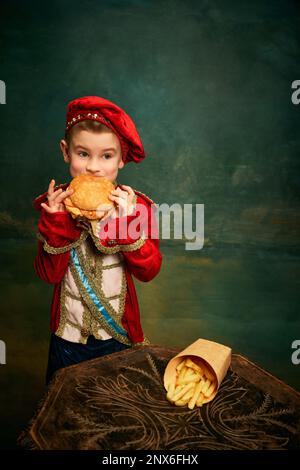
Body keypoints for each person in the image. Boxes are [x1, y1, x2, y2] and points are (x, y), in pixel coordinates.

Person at [34, 96, 162, 384]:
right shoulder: (54, 206)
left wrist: (128, 224)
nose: (94, 167)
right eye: (83, 154)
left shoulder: (137, 207)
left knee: (116, 414)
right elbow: (47, 274)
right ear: (66, 152)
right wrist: (55, 224)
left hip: (117, 337)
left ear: (121, 158)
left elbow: (149, 272)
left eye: (106, 156)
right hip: (67, 340)